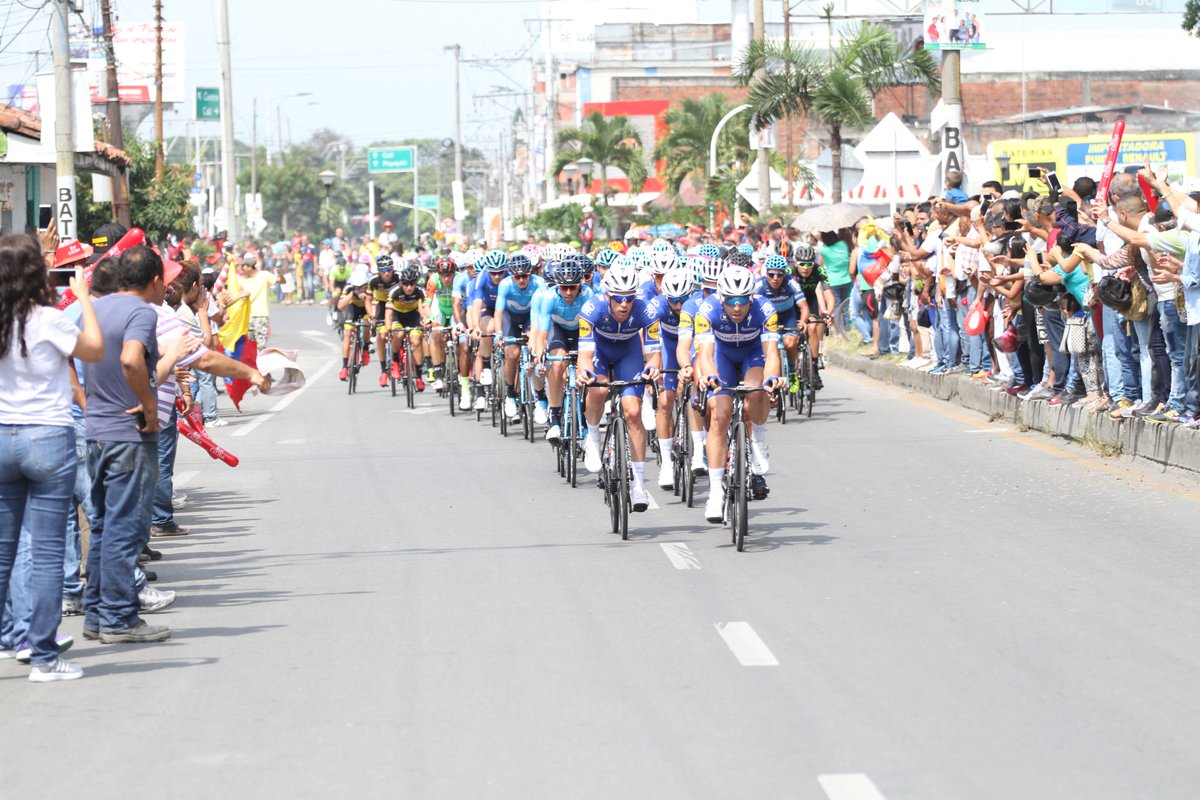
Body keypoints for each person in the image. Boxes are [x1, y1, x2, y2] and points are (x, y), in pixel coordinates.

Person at [83, 246, 199, 646]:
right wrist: (149, 406)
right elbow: (133, 361)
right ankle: (117, 618)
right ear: (153, 281)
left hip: (95, 432)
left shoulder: (94, 308)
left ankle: (98, 614)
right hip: (127, 435)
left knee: (102, 526)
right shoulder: (141, 313)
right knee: (125, 528)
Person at [0, 233, 104, 681]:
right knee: (45, 554)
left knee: (3, 554)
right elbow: (95, 350)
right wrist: (84, 299)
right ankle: (43, 656)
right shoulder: (50, 320)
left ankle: (9, 637)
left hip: (2, 437)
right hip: (47, 438)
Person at [690, 265, 783, 523]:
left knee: (757, 388)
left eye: (743, 300)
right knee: (719, 415)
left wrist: (772, 378)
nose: (737, 307)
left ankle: (758, 439)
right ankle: (716, 493)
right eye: (731, 301)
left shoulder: (765, 309)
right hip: (722, 356)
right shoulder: (707, 310)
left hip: (752, 353)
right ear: (721, 298)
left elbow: (772, 354)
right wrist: (710, 376)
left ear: (751, 298)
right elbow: (705, 356)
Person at [576, 263, 662, 512]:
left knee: (633, 411)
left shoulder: (646, 310)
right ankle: (592, 437)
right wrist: (584, 371)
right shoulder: (592, 308)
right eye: (618, 299)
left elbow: (654, 353)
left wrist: (653, 367)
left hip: (629, 353)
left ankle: (638, 485)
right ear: (608, 296)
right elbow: (585, 354)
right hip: (600, 352)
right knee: (599, 389)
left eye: (629, 299)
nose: (624, 304)